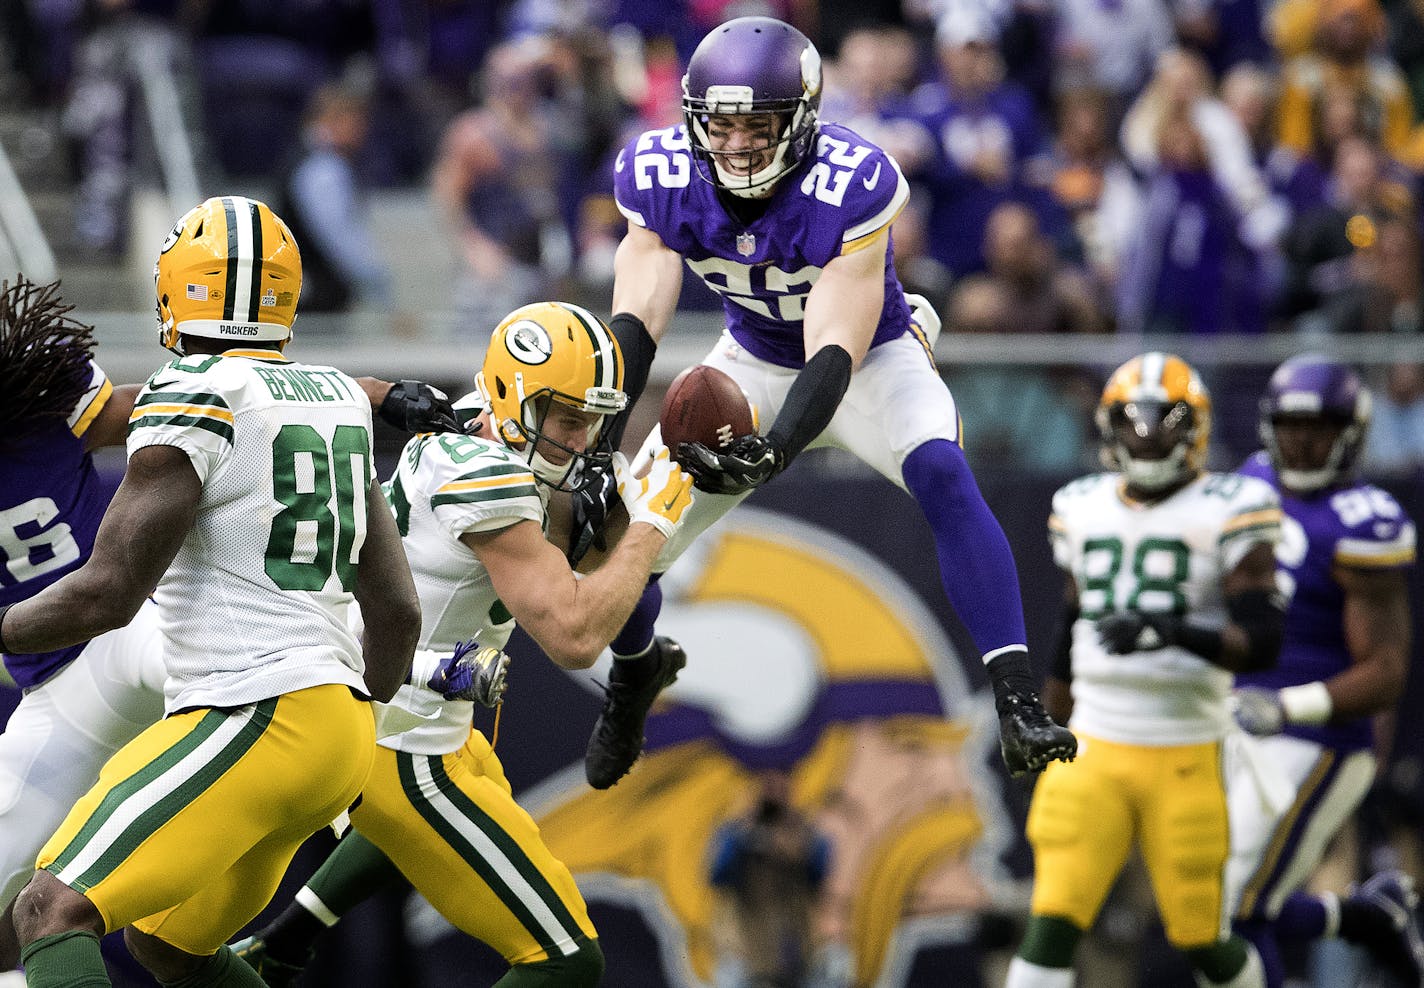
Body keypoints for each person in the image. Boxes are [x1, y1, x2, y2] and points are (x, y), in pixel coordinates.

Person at [581, 14, 1077, 792]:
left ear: (803, 120)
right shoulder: (658, 173)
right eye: (722, 125)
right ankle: (637, 674)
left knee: (944, 473)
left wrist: (776, 450)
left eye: (758, 126)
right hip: (749, 358)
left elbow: (835, 349)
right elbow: (636, 323)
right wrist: (600, 441)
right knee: (625, 534)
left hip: (869, 357)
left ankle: (1016, 697)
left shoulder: (851, 180)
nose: (738, 144)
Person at [0, 194, 422, 987]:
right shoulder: (334, 395)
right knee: (171, 949)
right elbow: (396, 608)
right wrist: (354, 705)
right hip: (339, 735)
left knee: (46, 913)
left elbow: (107, 598)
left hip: (256, 713)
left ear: (178, 286)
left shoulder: (191, 391)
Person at [229, 301, 696, 986]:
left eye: (592, 419)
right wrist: (657, 520)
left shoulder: (477, 418)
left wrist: (387, 394)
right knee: (567, 959)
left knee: (457, 789)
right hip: (398, 746)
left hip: (398, 715)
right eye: (567, 418)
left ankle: (286, 938)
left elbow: (314, 393)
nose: (582, 438)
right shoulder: (486, 476)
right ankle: (285, 938)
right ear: (511, 402)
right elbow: (574, 634)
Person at [1005, 352, 1287, 988]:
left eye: (1165, 420)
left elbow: (1265, 642)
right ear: (1108, 427)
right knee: (1051, 922)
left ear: (1196, 428)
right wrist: (1046, 723)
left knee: (1201, 939)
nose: (1147, 433)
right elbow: (1069, 628)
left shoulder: (1233, 504)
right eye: (1132, 420)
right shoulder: (1081, 504)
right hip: (1093, 748)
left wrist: (1171, 631)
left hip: (1187, 747)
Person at [1229, 354, 1424, 988]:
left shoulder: (1366, 520)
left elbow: (1387, 673)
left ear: (1351, 432)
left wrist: (1289, 706)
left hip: (1318, 736)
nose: (1303, 442)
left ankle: (1364, 917)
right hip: (1236, 722)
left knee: (1230, 904)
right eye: (1290, 426)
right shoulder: (1249, 486)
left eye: (1318, 428)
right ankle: (1368, 916)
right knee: (1201, 899)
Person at [707, 768, 833, 988]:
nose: (774, 792)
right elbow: (717, 875)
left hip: (796, 951)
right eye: (768, 785)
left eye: (781, 785)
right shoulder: (738, 830)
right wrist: (746, 837)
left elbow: (820, 873)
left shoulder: (804, 832)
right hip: (749, 952)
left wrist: (794, 844)